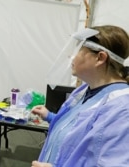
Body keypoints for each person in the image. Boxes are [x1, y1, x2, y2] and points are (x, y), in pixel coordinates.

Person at [31, 25, 129, 167]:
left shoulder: (122, 110)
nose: (70, 56)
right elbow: (80, 129)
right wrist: (51, 116)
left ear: (100, 58)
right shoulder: (84, 90)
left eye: (78, 50)